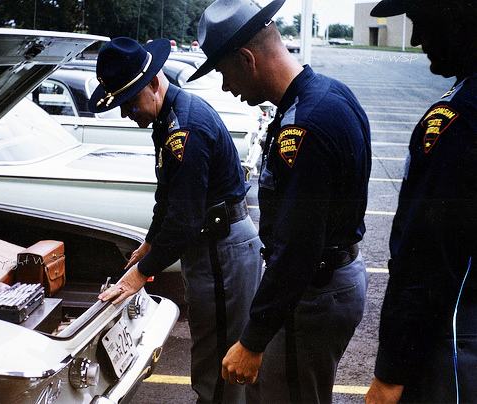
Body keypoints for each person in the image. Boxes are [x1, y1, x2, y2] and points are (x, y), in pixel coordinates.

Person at [189, 0, 371, 402]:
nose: (225, 88)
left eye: (223, 73)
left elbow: (299, 246)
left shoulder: (306, 123)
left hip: (311, 292)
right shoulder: (326, 95)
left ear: (246, 59)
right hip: (323, 282)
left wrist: (252, 341)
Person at [89, 37, 263, 404]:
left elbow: (185, 219)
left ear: (153, 83)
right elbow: (167, 195)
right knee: (215, 359)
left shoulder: (186, 129)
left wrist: (142, 274)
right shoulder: (169, 117)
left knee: (219, 369)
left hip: (221, 252)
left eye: (129, 101)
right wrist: (151, 243)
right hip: (214, 248)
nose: (126, 113)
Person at [365, 1, 477, 403]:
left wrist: (390, 375)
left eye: (420, 21)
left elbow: (427, 262)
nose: (414, 39)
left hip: (454, 352)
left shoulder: (455, 121)